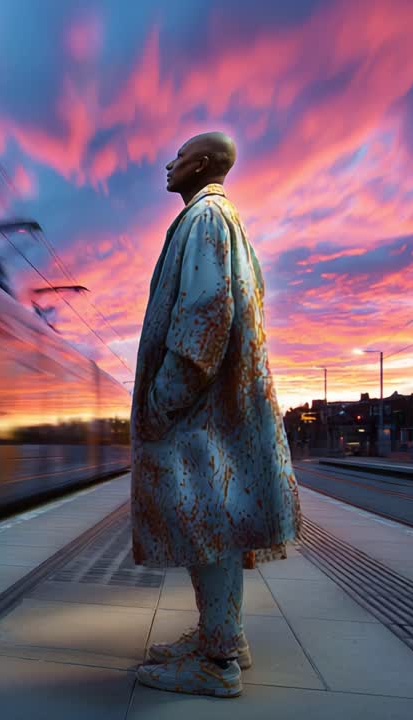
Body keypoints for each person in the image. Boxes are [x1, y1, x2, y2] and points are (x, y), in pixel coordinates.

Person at [129, 131, 301, 698]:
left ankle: (218, 660)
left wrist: (162, 400)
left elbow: (204, 316)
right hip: (220, 409)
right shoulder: (227, 222)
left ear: (199, 165)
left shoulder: (205, 220)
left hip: (202, 411)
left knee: (207, 523)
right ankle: (222, 637)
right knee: (215, 522)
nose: (168, 163)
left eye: (177, 156)